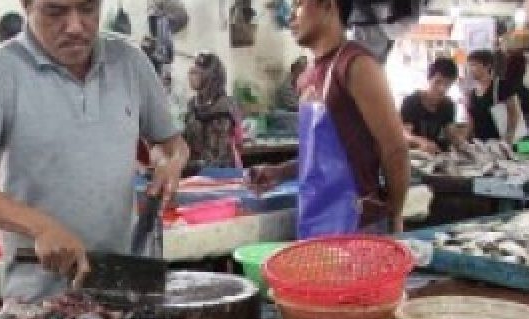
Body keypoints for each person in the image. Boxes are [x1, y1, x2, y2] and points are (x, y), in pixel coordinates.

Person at [0, 0, 188, 300]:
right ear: (26, 6)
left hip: (124, 289)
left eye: (88, 9)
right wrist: (39, 227)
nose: (76, 27)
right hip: (40, 304)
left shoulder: (129, 61)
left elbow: (171, 144)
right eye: (56, 12)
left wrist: (170, 162)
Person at [250, 0, 408, 236]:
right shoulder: (307, 77)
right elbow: (322, 156)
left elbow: (394, 148)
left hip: (357, 222)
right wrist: (280, 171)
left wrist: (394, 211)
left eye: (298, 4)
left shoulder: (357, 65)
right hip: (314, 218)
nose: (291, 16)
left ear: (328, 6)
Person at [183, 53, 240, 174]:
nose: (190, 77)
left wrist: (182, 166)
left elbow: (217, 158)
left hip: (219, 176)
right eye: (191, 72)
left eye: (195, 73)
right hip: (195, 172)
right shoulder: (193, 104)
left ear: (209, 76)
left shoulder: (222, 108)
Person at [400, 57, 459, 154]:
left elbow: (451, 132)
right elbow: (405, 134)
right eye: (438, 82)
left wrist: (461, 142)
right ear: (429, 79)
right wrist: (421, 141)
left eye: (448, 84)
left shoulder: (448, 105)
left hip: (434, 156)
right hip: (413, 155)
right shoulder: (411, 101)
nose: (442, 89)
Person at [464, 49, 520, 142]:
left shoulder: (502, 86)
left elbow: (514, 114)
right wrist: (465, 141)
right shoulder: (472, 93)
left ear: (487, 66)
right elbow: (471, 122)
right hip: (479, 145)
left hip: (499, 143)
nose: (470, 69)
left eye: (474, 65)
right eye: (469, 65)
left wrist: (508, 139)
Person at [502, 51, 529, 140]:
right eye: (525, 66)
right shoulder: (523, 91)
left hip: (499, 137)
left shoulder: (497, 87)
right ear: (522, 69)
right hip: (521, 139)